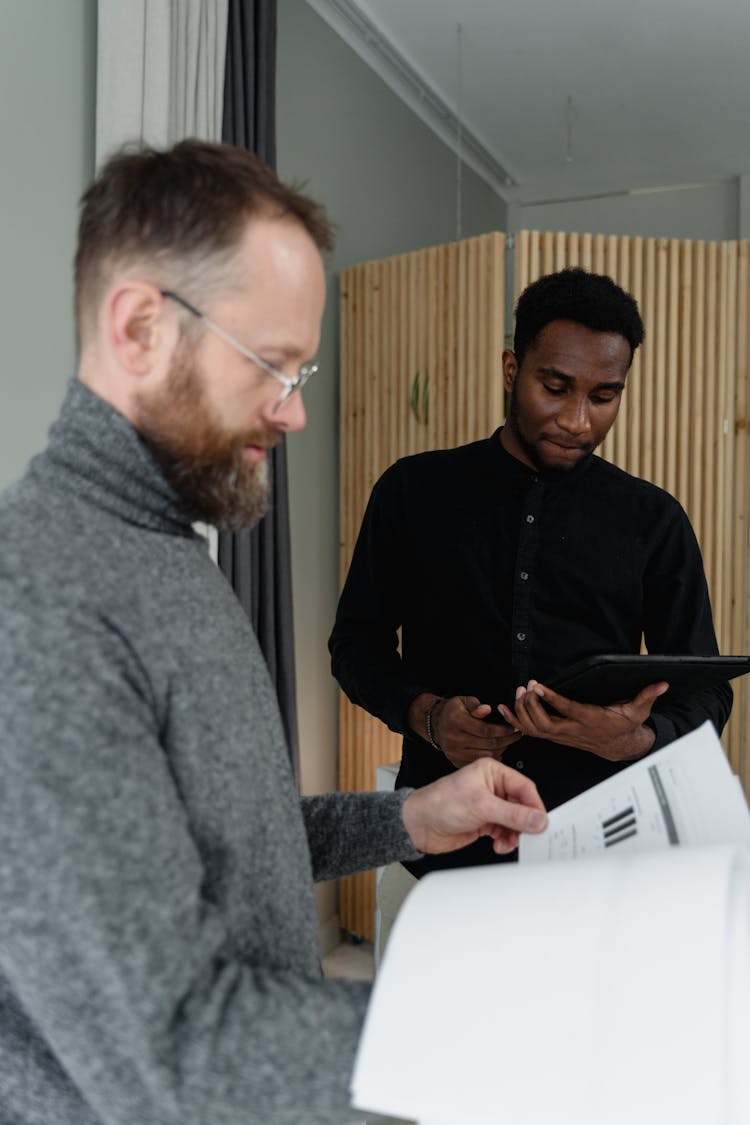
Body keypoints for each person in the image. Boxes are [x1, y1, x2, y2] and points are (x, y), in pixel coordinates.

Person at [0, 141, 548, 1125]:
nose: (295, 412)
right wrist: (533, 1029)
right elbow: (178, 1046)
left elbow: (221, 852)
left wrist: (410, 819)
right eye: (272, 365)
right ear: (139, 328)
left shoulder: (170, 556)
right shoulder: (38, 604)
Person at [329, 267, 732, 879]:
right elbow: (356, 645)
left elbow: (708, 689)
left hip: (602, 847)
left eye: (604, 396)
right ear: (512, 369)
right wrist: (426, 715)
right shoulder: (413, 491)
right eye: (556, 386)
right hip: (444, 847)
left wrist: (636, 740)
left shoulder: (656, 519)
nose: (578, 420)